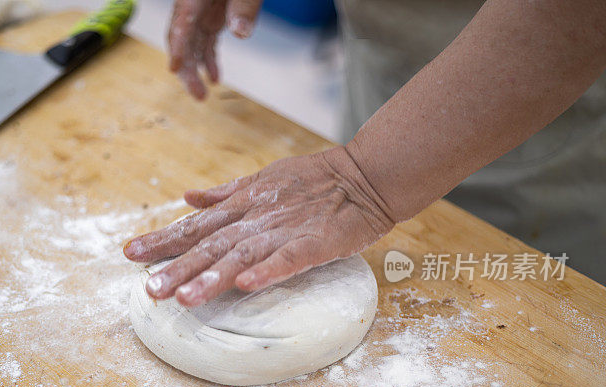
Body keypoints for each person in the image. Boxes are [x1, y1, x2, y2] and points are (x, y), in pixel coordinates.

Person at [123, 0, 606, 307]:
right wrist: (359, 168)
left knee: (524, 316)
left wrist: (363, 181)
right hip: (384, 70)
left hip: (536, 115)